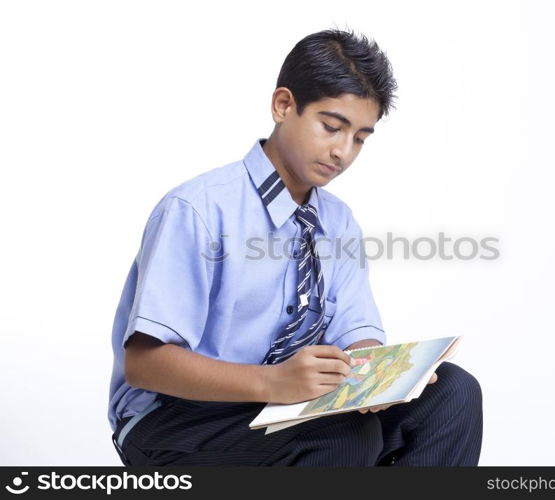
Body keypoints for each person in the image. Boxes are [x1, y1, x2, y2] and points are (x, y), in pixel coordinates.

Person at [107, 27, 482, 466]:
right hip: (175, 418)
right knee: (342, 438)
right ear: (283, 105)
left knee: (453, 393)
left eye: (360, 138)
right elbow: (145, 365)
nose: (343, 151)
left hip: (287, 406)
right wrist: (273, 383)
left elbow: (356, 331)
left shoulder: (337, 220)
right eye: (331, 127)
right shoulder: (199, 209)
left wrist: (378, 376)